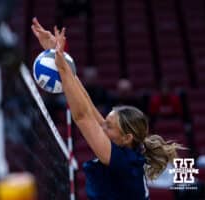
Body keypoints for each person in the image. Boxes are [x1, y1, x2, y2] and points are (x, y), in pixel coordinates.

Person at [32, 18, 185, 199]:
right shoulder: (123, 149)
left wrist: (63, 68)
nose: (102, 125)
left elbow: (82, 116)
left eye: (109, 125)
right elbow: (88, 108)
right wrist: (58, 58)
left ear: (127, 137)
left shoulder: (123, 162)